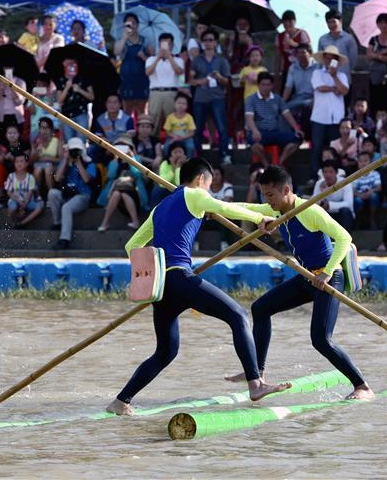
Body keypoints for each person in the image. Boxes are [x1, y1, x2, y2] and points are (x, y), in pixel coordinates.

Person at [106, 158, 289, 416]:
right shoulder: (194, 195)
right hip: (180, 278)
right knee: (238, 315)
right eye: (209, 186)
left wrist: (267, 212)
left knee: (166, 351)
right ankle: (255, 383)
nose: (208, 192)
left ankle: (121, 401)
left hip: (163, 288)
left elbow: (131, 247)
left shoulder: (159, 208)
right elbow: (224, 207)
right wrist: (261, 218)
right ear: (201, 179)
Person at [225, 165, 373, 400]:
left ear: (286, 190)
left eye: (270, 195)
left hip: (328, 278)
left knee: (321, 340)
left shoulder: (309, 210)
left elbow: (344, 237)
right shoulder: (275, 210)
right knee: (260, 308)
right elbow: (244, 208)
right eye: (264, 195)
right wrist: (211, 208)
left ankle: (362, 386)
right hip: (307, 277)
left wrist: (327, 271)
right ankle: (257, 372)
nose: (267, 200)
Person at [189, 28, 232, 165]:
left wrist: (219, 77)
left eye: (211, 40)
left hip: (217, 97)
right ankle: (197, 156)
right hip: (200, 98)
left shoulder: (221, 60)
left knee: (222, 127)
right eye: (205, 40)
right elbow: (190, 80)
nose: (208, 43)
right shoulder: (196, 60)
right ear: (202, 43)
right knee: (198, 129)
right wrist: (202, 81)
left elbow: (227, 82)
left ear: (216, 42)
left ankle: (224, 154)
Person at [245, 73, 304, 167]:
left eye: (268, 85)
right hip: (260, 132)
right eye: (263, 85)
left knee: (298, 138)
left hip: (274, 132)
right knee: (255, 145)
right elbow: (249, 118)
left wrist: (296, 128)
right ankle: (266, 164)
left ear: (272, 85)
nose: (265, 87)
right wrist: (255, 131)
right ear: (258, 85)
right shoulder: (251, 99)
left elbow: (287, 114)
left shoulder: (277, 99)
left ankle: (279, 162)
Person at [47, 137, 95, 250]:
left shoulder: (89, 163)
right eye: (72, 150)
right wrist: (65, 160)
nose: (74, 153)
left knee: (66, 208)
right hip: (67, 195)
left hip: (82, 196)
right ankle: (57, 222)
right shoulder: (66, 162)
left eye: (76, 150)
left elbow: (87, 179)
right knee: (52, 193)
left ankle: (65, 239)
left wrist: (78, 162)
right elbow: (57, 179)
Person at [309, 45, 350, 172]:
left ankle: (335, 173)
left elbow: (344, 90)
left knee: (334, 148)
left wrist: (334, 76)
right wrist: (333, 89)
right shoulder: (316, 73)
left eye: (332, 59)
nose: (329, 61)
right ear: (323, 59)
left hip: (336, 118)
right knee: (317, 147)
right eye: (327, 58)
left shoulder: (342, 76)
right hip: (319, 117)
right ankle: (315, 174)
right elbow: (320, 87)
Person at [145, 32, 186, 130]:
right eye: (163, 43)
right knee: (153, 119)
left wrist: (170, 58)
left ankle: (172, 142)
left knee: (172, 120)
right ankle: (153, 141)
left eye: (169, 43)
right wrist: (158, 58)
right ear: (159, 44)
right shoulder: (151, 59)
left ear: (172, 45)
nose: (166, 46)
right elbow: (148, 72)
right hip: (155, 92)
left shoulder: (178, 60)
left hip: (171, 93)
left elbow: (179, 72)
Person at [115, 13, 150, 116]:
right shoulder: (121, 40)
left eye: (134, 23)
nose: (131, 26)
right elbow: (117, 52)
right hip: (127, 79)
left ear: (138, 25)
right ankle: (127, 131)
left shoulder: (145, 40)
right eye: (128, 24)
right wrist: (124, 37)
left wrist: (144, 57)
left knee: (142, 110)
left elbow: (153, 59)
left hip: (142, 78)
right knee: (127, 110)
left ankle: (142, 131)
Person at [57, 58, 94, 141]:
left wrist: (79, 90)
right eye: (67, 64)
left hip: (81, 113)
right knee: (69, 142)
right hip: (66, 115)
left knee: (81, 141)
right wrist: (67, 88)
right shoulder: (61, 80)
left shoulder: (83, 79)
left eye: (72, 64)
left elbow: (91, 97)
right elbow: (59, 100)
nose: (70, 67)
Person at [313, 160, 354, 231]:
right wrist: (322, 194)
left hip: (341, 216)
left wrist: (330, 205)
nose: (328, 175)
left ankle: (346, 240)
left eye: (331, 172)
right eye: (325, 172)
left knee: (345, 211)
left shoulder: (345, 183)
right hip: (327, 216)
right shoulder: (319, 183)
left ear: (336, 173)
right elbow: (313, 203)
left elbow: (349, 204)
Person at [5, 152, 44, 229]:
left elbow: (30, 192)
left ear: (27, 163)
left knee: (40, 206)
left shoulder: (30, 177)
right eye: (17, 161)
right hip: (15, 200)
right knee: (12, 208)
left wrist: (24, 204)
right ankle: (13, 222)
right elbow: (9, 192)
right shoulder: (11, 176)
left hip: (27, 201)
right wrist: (19, 202)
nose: (19, 164)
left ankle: (22, 223)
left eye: (22, 161)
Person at [318, 10, 358, 82]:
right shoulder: (322, 39)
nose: (331, 25)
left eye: (333, 22)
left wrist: (344, 68)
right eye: (329, 22)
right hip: (327, 79)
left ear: (340, 21)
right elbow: (320, 60)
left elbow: (353, 60)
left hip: (344, 79)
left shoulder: (349, 39)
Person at [0, 124, 30, 199]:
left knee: (21, 167)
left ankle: (21, 194)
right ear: (6, 135)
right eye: (9, 133)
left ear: (19, 134)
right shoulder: (4, 146)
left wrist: (13, 158)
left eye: (14, 133)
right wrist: (1, 158)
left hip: (21, 170)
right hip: (8, 170)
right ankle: (1, 195)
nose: (12, 135)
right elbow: (0, 163)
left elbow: (27, 160)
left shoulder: (25, 145)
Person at [0, 66, 26, 143]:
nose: (7, 70)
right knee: (2, 141)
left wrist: (12, 86)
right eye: (6, 68)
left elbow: (19, 102)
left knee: (16, 141)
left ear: (13, 69)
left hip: (16, 117)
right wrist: (0, 88)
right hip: (0, 118)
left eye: (10, 68)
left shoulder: (20, 81)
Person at [275, 10, 310, 89]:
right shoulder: (279, 37)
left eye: (290, 21)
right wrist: (276, 76)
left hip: (301, 70)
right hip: (286, 70)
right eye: (285, 21)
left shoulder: (302, 34)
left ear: (295, 21)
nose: (287, 24)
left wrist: (294, 44)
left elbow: (310, 52)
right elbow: (278, 57)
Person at [92, 94, 134, 160]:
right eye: (110, 102)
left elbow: (130, 136)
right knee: (92, 148)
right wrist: (109, 146)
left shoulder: (128, 119)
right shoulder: (100, 119)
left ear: (120, 105)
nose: (112, 105)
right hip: (107, 146)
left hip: (124, 145)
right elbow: (99, 136)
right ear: (106, 104)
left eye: (115, 102)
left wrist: (116, 146)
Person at [282, 43, 317, 117]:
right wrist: (282, 103)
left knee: (308, 110)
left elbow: (319, 87)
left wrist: (314, 100)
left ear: (310, 54)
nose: (300, 55)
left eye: (303, 52)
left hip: (313, 98)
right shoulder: (293, 67)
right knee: (284, 111)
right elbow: (288, 87)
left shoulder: (317, 66)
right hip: (298, 98)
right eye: (298, 53)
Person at [30, 118, 62, 195]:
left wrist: (48, 158)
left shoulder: (57, 141)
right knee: (37, 170)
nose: (43, 131)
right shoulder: (35, 141)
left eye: (46, 128)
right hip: (38, 165)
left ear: (51, 129)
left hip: (54, 166)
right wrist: (36, 151)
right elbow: (31, 161)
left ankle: (51, 194)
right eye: (41, 128)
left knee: (48, 169)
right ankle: (38, 196)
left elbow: (61, 159)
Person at [353, 151, 381, 229]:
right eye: (361, 161)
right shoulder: (355, 176)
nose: (363, 163)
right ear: (357, 163)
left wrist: (371, 192)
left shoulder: (375, 174)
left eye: (366, 161)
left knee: (374, 196)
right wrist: (360, 195)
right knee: (357, 201)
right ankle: (359, 218)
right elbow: (353, 190)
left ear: (370, 162)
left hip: (371, 194)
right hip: (360, 196)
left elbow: (379, 187)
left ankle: (372, 218)